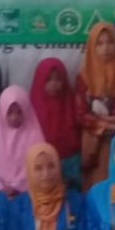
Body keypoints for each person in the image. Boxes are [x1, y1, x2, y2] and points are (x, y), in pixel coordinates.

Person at [75, 22, 115, 188]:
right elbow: (80, 114)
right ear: (92, 47)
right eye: (100, 43)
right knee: (101, 190)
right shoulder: (84, 76)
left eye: (110, 42)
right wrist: (106, 125)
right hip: (98, 147)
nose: (105, 48)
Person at [29, 58, 81, 188]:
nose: (54, 84)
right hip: (42, 164)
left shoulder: (70, 102)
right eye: (48, 79)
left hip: (69, 160)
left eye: (58, 79)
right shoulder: (32, 106)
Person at [0, 85, 45, 196]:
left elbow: (39, 166)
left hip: (29, 194)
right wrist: (1, 186)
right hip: (0, 194)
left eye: (19, 112)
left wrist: (17, 185)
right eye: (9, 112)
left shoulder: (35, 136)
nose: (14, 117)